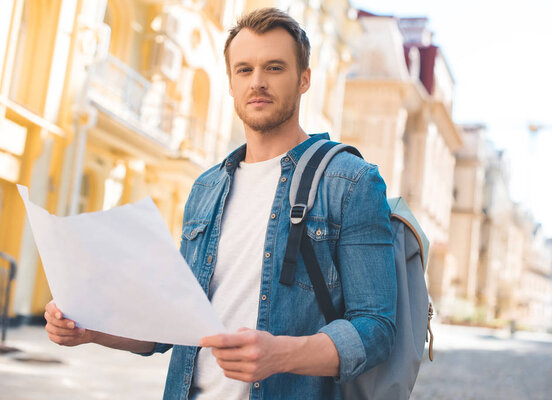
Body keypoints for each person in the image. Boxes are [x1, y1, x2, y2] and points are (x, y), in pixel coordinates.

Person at [44, 8, 397, 400]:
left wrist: (281, 354)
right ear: (230, 82)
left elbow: (376, 328)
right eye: (244, 69)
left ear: (304, 80)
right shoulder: (207, 187)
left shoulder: (352, 182)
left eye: (275, 68)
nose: (257, 82)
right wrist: (91, 329)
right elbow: (171, 324)